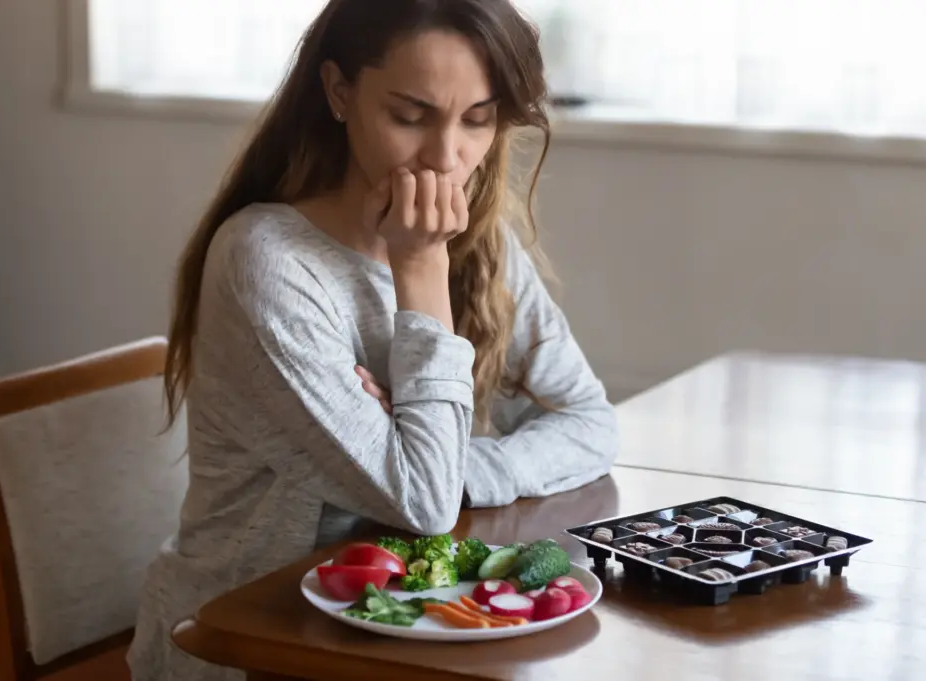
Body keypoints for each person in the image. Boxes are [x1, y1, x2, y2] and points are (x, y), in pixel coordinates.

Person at [128, 0, 619, 678]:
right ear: (339, 92)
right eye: (410, 116)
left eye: (477, 120)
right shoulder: (267, 261)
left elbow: (591, 422)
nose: (448, 158)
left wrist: (459, 467)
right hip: (252, 642)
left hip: (409, 626)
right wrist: (420, 268)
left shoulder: (482, 242)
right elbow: (422, 504)